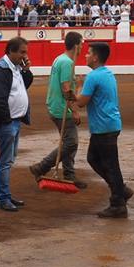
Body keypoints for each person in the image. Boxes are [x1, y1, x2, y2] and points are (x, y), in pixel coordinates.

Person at [76, 41, 131, 218]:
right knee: (96, 159)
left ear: (95, 57)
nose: (85, 55)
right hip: (109, 124)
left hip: (103, 126)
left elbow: (81, 102)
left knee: (109, 165)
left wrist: (76, 89)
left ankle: (118, 202)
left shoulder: (93, 77)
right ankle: (120, 190)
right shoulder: (107, 74)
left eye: (88, 52)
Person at [28, 31, 86, 189]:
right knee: (71, 143)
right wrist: (74, 110)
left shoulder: (59, 59)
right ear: (76, 45)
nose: (82, 47)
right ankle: (42, 167)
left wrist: (78, 85)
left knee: (67, 141)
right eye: (81, 44)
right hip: (62, 108)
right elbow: (66, 89)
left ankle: (69, 174)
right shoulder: (67, 62)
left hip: (54, 105)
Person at [0, 36, 34, 212]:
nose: (25, 56)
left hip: (14, 121)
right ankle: (3, 197)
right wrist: (6, 121)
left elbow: (23, 86)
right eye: (22, 52)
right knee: (5, 161)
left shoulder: (14, 67)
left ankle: (5, 195)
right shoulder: (1, 69)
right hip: (7, 123)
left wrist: (26, 70)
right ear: (11, 51)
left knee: (9, 160)